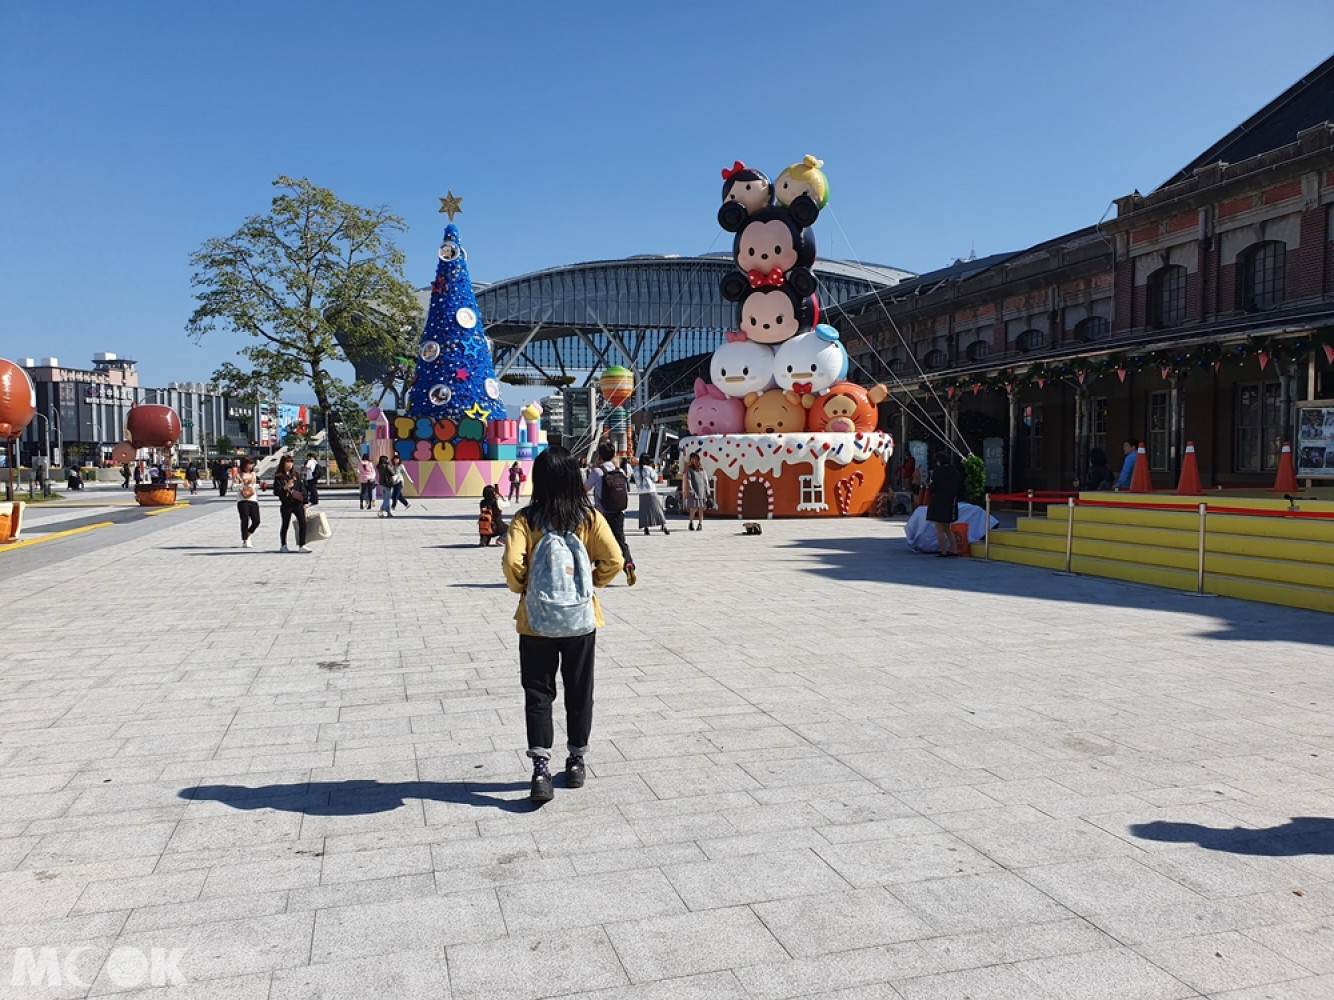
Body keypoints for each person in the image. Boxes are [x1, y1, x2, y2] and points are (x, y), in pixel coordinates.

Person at [501, 447, 624, 803]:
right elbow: (614, 559)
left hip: (536, 622)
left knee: (539, 693)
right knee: (579, 690)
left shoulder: (526, 519)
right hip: (580, 620)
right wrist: (591, 584)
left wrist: (525, 588)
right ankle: (575, 762)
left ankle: (541, 769)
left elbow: (512, 563)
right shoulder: (589, 517)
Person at [585, 441, 635, 586]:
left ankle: (600, 571)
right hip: (619, 512)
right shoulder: (621, 472)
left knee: (599, 541)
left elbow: (585, 488)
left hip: (602, 514)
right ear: (614, 454)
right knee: (621, 541)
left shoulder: (598, 472)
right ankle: (629, 564)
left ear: (599, 455)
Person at [926, 453, 962, 557]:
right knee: (947, 528)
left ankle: (943, 551)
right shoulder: (955, 472)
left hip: (938, 501)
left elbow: (933, 488)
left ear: (939, 461)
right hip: (951, 501)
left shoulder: (938, 472)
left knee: (939, 529)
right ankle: (954, 550)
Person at [272, 455, 311, 553]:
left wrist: (305, 501)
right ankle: (283, 545)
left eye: (291, 462)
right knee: (285, 524)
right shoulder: (279, 476)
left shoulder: (295, 475)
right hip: (286, 503)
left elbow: (302, 488)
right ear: (283, 463)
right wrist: (285, 487)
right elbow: (276, 491)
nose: (289, 464)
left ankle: (302, 545)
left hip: (297, 503)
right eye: (287, 462)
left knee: (303, 523)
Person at [635, 455, 670, 536]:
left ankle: (646, 527)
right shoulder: (649, 469)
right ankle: (663, 525)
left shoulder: (636, 469)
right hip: (650, 490)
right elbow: (655, 478)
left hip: (641, 492)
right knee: (657, 509)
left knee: (644, 510)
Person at [236, 456, 261, 548]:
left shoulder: (253, 474)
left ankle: (248, 534)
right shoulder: (239, 475)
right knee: (245, 519)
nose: (250, 466)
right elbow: (233, 487)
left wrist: (259, 485)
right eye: (248, 464)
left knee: (256, 521)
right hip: (242, 500)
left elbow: (255, 486)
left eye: (251, 464)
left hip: (253, 499)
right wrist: (243, 485)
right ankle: (245, 540)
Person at [683, 453, 711, 531]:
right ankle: (691, 523)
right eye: (691, 459)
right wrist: (691, 489)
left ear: (697, 459)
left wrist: (707, 490)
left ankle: (700, 524)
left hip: (702, 491)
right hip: (694, 491)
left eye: (694, 459)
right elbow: (689, 480)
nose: (692, 460)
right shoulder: (689, 469)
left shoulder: (702, 469)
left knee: (701, 508)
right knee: (693, 508)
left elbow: (705, 480)